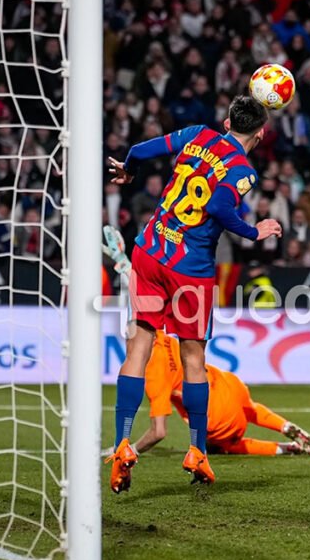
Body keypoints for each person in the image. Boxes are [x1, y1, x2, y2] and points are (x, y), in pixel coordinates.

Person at [105, 96, 283, 493]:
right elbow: (221, 208)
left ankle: (121, 444)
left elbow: (137, 151)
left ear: (225, 122)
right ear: (261, 133)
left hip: (150, 252)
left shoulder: (197, 134)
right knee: (193, 359)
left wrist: (129, 172)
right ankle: (198, 451)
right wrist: (257, 231)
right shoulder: (242, 170)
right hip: (189, 270)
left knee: (139, 348)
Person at [115, 331, 310, 457]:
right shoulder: (161, 336)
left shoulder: (153, 376)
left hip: (217, 415)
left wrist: (129, 449)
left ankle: (286, 448)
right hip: (229, 383)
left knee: (225, 445)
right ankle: (284, 425)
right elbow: (147, 302)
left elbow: (158, 432)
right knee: (249, 409)